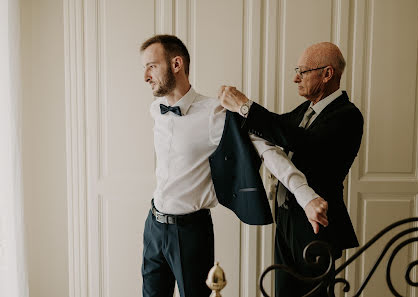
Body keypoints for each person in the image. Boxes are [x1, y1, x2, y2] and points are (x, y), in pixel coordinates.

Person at [140, 34, 328, 297]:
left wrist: (305, 195)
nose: (146, 76)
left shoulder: (213, 113)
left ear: (176, 64)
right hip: (153, 226)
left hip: (190, 232)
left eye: (151, 66)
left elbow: (267, 149)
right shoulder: (155, 109)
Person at [219, 42, 363, 297]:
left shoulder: (348, 116)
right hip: (287, 218)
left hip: (317, 223)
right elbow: (276, 127)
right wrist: (243, 115)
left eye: (303, 71)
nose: (295, 78)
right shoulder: (305, 109)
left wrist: (245, 106)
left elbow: (299, 140)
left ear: (327, 73)